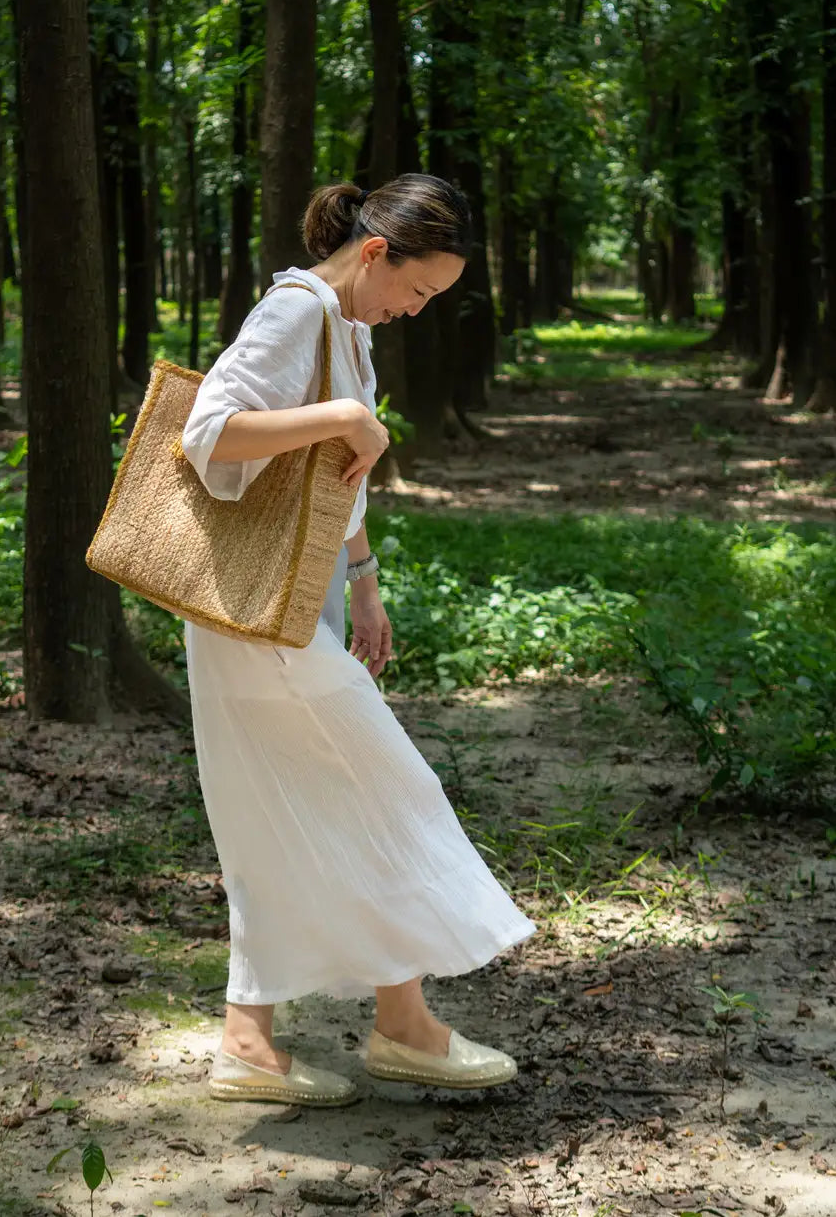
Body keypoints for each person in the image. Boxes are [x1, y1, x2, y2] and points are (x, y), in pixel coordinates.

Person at [180, 174, 536, 1107]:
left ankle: (252, 1041)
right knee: (385, 786)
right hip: (254, 608)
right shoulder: (298, 309)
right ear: (376, 251)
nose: (415, 311)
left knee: (285, 804)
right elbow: (207, 433)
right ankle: (403, 1027)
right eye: (417, 290)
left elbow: (341, 477)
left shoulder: (351, 329)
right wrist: (342, 415)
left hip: (296, 601)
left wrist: (366, 580)